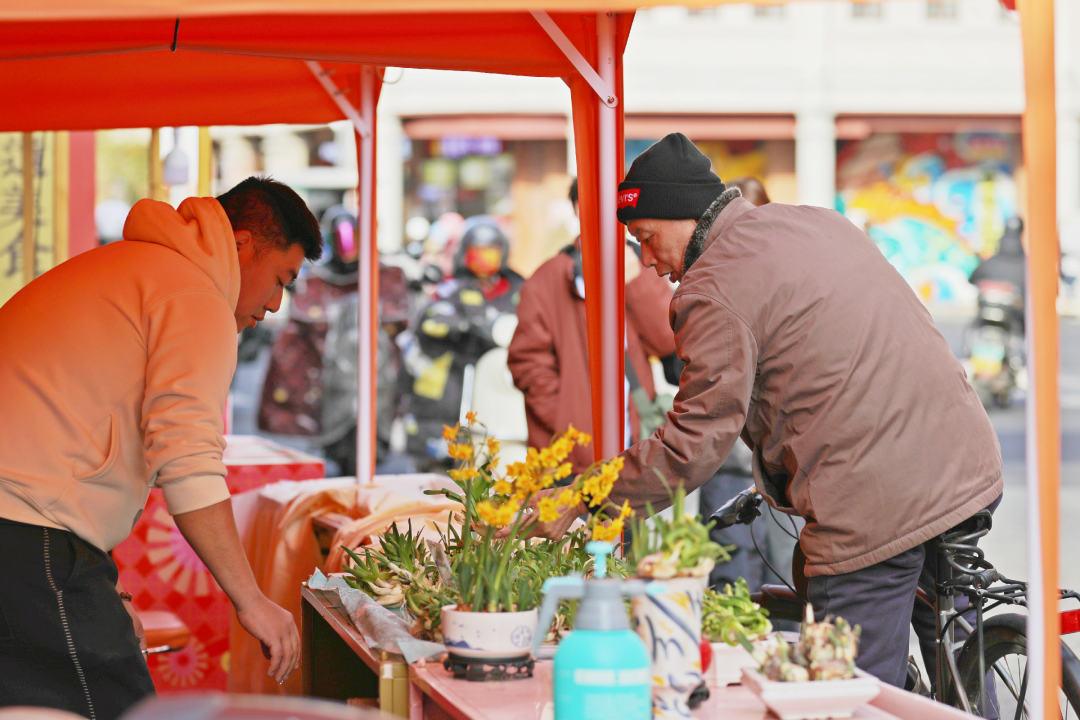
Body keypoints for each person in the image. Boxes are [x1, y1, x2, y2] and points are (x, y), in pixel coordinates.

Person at [528, 133, 1003, 688]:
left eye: (647, 239)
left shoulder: (711, 288)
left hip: (874, 503)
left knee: (850, 689)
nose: (648, 262)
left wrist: (585, 496)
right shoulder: (817, 221)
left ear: (682, 216)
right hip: (964, 461)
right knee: (958, 655)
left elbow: (693, 442)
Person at [0, 177, 320, 718]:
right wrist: (253, 602)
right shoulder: (195, 295)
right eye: (279, 279)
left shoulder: (131, 266)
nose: (274, 304)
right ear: (242, 245)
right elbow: (189, 462)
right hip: (25, 535)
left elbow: (70, 443)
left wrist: (110, 591)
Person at [508, 178, 677, 474]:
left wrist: (635, 281)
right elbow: (527, 362)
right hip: (568, 461)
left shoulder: (642, 265)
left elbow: (666, 340)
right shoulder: (548, 279)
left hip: (634, 447)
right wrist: (564, 421)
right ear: (579, 208)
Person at [398, 220, 524, 467]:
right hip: (454, 393)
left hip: (504, 394)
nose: (484, 260)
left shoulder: (520, 291)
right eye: (477, 253)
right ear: (465, 254)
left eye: (490, 252)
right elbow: (431, 322)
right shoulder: (450, 290)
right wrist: (470, 325)